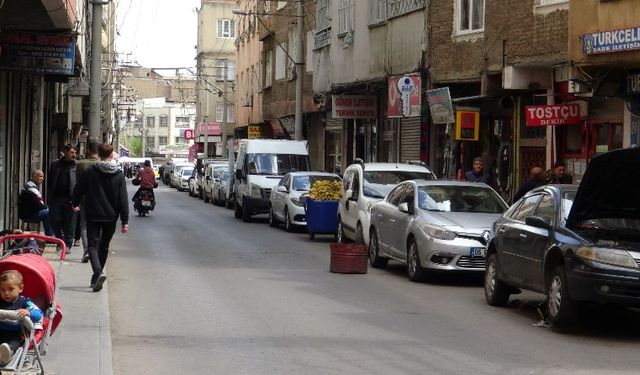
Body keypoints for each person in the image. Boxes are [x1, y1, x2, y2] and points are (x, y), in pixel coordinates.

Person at [72, 143, 129, 292]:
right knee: (104, 246)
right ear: (111, 155)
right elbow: (123, 198)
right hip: (111, 216)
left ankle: (98, 273)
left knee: (92, 245)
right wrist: (125, 221)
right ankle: (97, 275)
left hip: (93, 213)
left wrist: (75, 202)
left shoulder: (91, 172)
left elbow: (79, 189)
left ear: (98, 153)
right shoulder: (119, 174)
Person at [0, 270, 43, 365]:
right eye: (2, 290)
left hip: (14, 333)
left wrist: (28, 312)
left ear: (20, 288)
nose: (6, 293)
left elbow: (38, 313)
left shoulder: (24, 302)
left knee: (13, 343)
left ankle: (7, 353)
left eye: (11, 289)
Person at [48, 144, 78, 252]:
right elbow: (50, 180)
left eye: (75, 152)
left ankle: (67, 245)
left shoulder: (76, 165)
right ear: (65, 152)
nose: (74, 155)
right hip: (56, 198)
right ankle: (60, 240)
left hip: (71, 199)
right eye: (71, 152)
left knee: (70, 223)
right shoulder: (55, 164)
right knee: (55, 220)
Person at [76, 141, 100, 263]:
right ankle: (95, 250)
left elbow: (77, 184)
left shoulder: (81, 164)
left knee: (84, 225)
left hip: (85, 199)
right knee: (98, 225)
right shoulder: (103, 164)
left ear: (88, 150)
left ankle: (87, 251)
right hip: (100, 200)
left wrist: (75, 201)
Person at [18, 170, 54, 236]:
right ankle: (50, 236)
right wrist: (47, 208)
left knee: (51, 211)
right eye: (40, 176)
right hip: (29, 214)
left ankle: (52, 235)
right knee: (49, 212)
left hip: (33, 211)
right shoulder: (30, 188)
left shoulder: (32, 186)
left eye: (43, 177)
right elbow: (38, 206)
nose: (42, 179)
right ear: (34, 177)